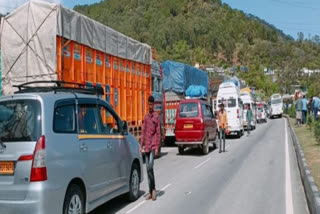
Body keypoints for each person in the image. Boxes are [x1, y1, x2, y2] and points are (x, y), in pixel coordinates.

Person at [140, 95, 161, 201]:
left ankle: (153, 190)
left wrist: (157, 147)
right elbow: (143, 132)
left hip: (153, 146)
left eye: (152, 104)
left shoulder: (156, 117)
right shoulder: (146, 117)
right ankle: (151, 190)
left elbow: (158, 133)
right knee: (148, 170)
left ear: (154, 105)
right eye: (149, 104)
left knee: (150, 167)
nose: (150, 106)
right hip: (147, 146)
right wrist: (141, 146)